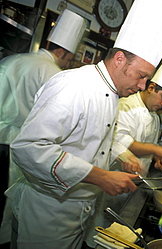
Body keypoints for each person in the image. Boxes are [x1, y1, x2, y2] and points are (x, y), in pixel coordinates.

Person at [7, 0, 162, 248]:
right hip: (47, 215)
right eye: (142, 76)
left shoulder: (111, 93)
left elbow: (94, 139)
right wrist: (100, 177)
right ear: (120, 59)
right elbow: (29, 148)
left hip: (76, 212)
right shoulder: (75, 85)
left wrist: (122, 154)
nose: (143, 85)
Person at [0, 9, 86, 245]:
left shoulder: (11, 60)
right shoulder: (54, 75)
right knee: (7, 207)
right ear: (61, 51)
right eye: (69, 58)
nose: (69, 63)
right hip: (16, 148)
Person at [112, 53, 162, 176]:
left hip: (138, 179)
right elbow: (121, 143)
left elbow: (146, 146)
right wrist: (156, 149)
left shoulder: (155, 117)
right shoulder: (126, 106)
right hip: (118, 179)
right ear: (151, 87)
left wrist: (156, 157)